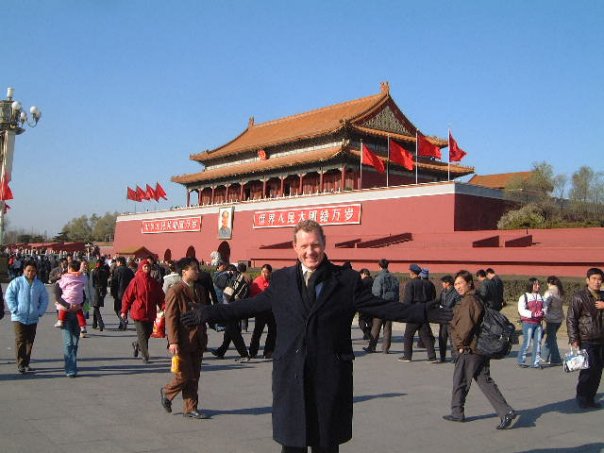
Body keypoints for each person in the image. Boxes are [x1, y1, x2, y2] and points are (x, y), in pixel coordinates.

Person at [181, 220, 451, 452]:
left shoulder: (346, 280)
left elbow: (382, 307)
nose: (310, 251)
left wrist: (422, 312)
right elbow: (249, 306)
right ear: (294, 247)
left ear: (324, 244)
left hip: (329, 376)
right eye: (304, 246)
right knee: (292, 442)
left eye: (315, 245)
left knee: (326, 442)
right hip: (291, 374)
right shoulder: (282, 280)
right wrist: (209, 313)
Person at [442, 270, 517, 429]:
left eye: (460, 283)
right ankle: (506, 411)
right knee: (484, 380)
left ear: (469, 283)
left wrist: (460, 346)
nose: (458, 287)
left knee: (460, 380)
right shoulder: (475, 298)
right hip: (480, 348)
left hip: (471, 348)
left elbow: (465, 326)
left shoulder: (469, 301)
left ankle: (457, 412)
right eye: (456, 284)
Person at [161, 257, 210, 419]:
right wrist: (173, 341)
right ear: (184, 272)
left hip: (198, 338)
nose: (197, 272)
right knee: (184, 375)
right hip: (182, 340)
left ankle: (190, 408)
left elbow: (204, 311)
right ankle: (167, 392)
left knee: (194, 375)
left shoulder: (200, 289)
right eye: (194, 269)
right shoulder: (175, 291)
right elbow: (170, 318)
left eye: (197, 268)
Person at [567, 267, 604, 409]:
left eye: (599, 279)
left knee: (597, 371)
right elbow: (571, 319)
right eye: (594, 279)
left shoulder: (603, 296)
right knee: (588, 370)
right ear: (587, 280)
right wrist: (573, 339)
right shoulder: (579, 297)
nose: (597, 282)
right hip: (586, 339)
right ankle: (582, 397)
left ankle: (590, 398)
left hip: (601, 340)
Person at [5, 260, 49, 374]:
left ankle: (26, 363)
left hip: (33, 317)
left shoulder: (39, 284)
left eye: (33, 270)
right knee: (20, 340)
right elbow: (9, 296)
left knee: (30, 341)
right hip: (19, 317)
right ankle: (20, 364)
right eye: (28, 270)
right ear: (24, 270)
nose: (30, 273)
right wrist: (15, 309)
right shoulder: (17, 282)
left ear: (36, 271)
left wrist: (39, 311)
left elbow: (44, 299)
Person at [121, 259, 165, 363]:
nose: (147, 268)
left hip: (150, 312)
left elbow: (161, 297)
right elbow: (127, 297)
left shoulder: (153, 282)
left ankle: (136, 344)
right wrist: (124, 311)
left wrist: (164, 307)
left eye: (148, 266)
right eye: (145, 266)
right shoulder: (135, 281)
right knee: (142, 334)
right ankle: (145, 356)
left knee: (148, 333)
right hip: (138, 312)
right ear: (141, 268)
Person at [211, 264, 251, 361]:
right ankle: (221, 351)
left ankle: (244, 354)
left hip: (230, 309)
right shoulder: (241, 278)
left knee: (234, 332)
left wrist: (226, 274)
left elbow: (217, 282)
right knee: (229, 331)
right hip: (237, 307)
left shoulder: (230, 278)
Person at [400, 264, 438, 363]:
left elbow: (407, 300)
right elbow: (432, 297)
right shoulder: (426, 283)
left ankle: (407, 356)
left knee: (408, 335)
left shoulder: (410, 284)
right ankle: (432, 356)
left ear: (412, 272)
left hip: (414, 311)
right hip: (423, 310)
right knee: (425, 335)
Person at [364, 259, 399, 354]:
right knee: (387, 328)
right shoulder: (394, 278)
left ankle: (372, 347)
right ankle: (385, 348)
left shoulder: (379, 278)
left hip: (380, 305)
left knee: (376, 327)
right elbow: (396, 293)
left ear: (379, 266)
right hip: (390, 305)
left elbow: (376, 293)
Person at [54, 283, 83, 377]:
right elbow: (58, 297)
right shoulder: (60, 283)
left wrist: (81, 306)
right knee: (69, 342)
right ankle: (71, 369)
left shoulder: (78, 282)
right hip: (64, 316)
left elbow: (84, 297)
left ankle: (70, 364)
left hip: (78, 314)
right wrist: (69, 306)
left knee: (75, 343)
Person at [248, 264, 276, 359]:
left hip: (271, 311)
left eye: (267, 272)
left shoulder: (273, 282)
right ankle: (253, 352)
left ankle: (268, 351)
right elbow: (252, 296)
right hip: (260, 311)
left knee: (273, 330)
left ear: (270, 273)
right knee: (258, 331)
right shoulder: (257, 281)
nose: (265, 274)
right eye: (263, 272)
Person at [55, 261, 88, 338]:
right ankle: (83, 327)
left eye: (85, 264)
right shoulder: (83, 276)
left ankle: (60, 320)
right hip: (80, 297)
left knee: (62, 307)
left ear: (70, 268)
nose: (85, 266)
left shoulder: (66, 276)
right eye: (84, 265)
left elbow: (61, 285)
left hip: (76, 298)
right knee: (80, 312)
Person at [517, 278, 545, 368]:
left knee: (538, 342)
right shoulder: (524, 296)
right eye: (535, 284)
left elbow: (545, 308)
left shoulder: (541, 297)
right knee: (527, 342)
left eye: (539, 284)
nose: (538, 286)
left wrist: (543, 312)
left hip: (538, 323)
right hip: (528, 323)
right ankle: (521, 361)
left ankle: (535, 363)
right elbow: (521, 310)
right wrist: (532, 314)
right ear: (530, 285)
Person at [541, 276, 565, 366]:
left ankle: (556, 359)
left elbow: (545, 305)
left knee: (551, 339)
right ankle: (544, 356)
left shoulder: (549, 292)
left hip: (551, 319)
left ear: (549, 283)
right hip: (559, 318)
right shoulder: (560, 291)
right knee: (550, 337)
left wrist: (542, 315)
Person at [437, 275, 460, 363]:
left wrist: (445, 308)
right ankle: (442, 357)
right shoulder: (443, 292)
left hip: (451, 318)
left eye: (443, 282)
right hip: (443, 318)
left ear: (448, 283)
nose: (442, 284)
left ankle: (454, 358)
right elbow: (439, 301)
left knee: (452, 339)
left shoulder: (455, 293)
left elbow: (456, 306)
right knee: (442, 338)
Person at [110, 256, 134, 330]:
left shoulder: (117, 270)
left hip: (119, 293)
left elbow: (114, 283)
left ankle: (123, 321)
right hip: (129, 293)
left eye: (117, 262)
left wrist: (112, 292)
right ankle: (122, 324)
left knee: (117, 308)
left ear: (119, 262)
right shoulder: (130, 270)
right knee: (125, 308)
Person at [91, 258, 110, 331]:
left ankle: (100, 323)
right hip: (102, 290)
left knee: (96, 307)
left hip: (96, 290)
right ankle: (94, 324)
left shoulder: (94, 272)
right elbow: (106, 283)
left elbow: (92, 283)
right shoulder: (104, 272)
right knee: (96, 306)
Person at [357, 269, 373, 340]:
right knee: (370, 320)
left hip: (363, 303)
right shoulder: (374, 281)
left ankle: (366, 333)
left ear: (363, 274)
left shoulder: (362, 282)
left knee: (361, 320)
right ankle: (368, 333)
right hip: (372, 303)